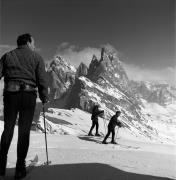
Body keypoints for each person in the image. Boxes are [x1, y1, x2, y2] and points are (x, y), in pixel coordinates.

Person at [0, 33, 48, 179]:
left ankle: (0, 166)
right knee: (24, 131)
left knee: (8, 128)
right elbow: (42, 80)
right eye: (33, 42)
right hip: (28, 96)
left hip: (10, 94)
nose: (34, 45)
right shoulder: (37, 57)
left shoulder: (7, 56)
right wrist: (44, 96)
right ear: (28, 42)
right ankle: (20, 167)